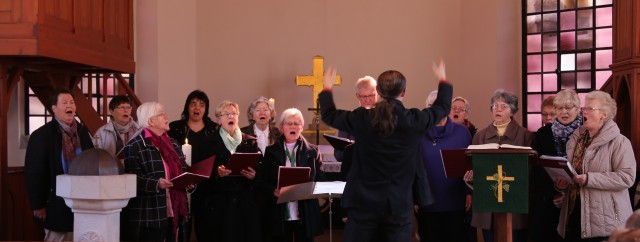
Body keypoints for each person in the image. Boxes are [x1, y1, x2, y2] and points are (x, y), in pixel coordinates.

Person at [318, 61, 453, 242]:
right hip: (398, 205)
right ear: (403, 92)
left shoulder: (361, 118)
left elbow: (329, 115)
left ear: (378, 92)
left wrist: (327, 87)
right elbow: (442, 108)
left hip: (363, 204)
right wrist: (443, 80)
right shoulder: (414, 120)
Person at [555, 91, 636, 241]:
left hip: (606, 222)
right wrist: (564, 182)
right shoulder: (576, 139)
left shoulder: (620, 142)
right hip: (574, 216)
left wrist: (588, 179)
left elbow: (627, 178)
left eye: (589, 109)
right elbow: (574, 173)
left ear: (603, 115)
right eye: (583, 108)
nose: (583, 112)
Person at [464, 89, 534, 242]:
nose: (498, 109)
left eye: (503, 106)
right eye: (495, 106)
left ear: (512, 110)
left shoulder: (525, 136)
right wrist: (471, 177)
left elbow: (530, 170)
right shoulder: (480, 136)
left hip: (513, 203)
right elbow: (472, 166)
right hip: (487, 203)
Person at [25, 87, 95, 241]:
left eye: (72, 102)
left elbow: (91, 161)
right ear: (54, 109)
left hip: (82, 203)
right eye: (64, 103)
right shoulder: (42, 135)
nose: (69, 105)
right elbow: (34, 172)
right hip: (55, 203)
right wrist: (38, 205)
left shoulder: (82, 132)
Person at [192, 100, 262, 242]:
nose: (231, 117)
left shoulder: (250, 142)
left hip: (244, 202)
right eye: (226, 114)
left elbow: (261, 169)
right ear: (218, 119)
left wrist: (254, 175)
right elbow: (199, 172)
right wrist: (216, 173)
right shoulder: (207, 142)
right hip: (219, 203)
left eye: (234, 113)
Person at [123, 102, 190, 242]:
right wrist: (156, 184)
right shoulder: (135, 145)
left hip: (175, 210)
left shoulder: (173, 143)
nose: (167, 116)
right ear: (150, 121)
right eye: (162, 114)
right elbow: (131, 179)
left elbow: (184, 169)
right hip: (150, 214)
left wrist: (189, 181)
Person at [260, 108, 325, 242]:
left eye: (297, 123)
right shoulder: (271, 152)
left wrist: (309, 189)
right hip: (280, 210)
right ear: (282, 127)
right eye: (289, 123)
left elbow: (320, 179)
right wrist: (273, 191)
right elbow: (261, 181)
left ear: (301, 128)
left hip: (304, 210)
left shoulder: (313, 151)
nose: (293, 126)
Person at [415, 91, 472, 242]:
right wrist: (413, 196)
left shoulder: (463, 132)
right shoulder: (418, 132)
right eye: (432, 106)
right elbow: (411, 166)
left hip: (455, 200)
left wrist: (469, 192)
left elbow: (470, 165)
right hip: (426, 202)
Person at [167, 90, 218, 242]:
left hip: (207, 182)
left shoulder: (213, 128)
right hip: (183, 182)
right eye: (193, 104)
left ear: (206, 109)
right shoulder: (176, 127)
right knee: (183, 226)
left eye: (202, 105)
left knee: (206, 226)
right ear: (187, 107)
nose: (197, 108)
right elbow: (170, 154)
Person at [532, 89, 582, 242]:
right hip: (549, 198)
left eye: (569, 107)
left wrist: (568, 193)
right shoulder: (542, 133)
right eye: (559, 108)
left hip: (579, 200)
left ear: (578, 109)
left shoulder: (587, 132)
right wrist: (556, 193)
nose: (564, 112)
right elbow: (537, 169)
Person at [335, 76, 377, 178]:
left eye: (371, 95)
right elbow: (338, 156)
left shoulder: (386, 119)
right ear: (357, 96)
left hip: (378, 174)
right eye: (363, 96)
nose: (367, 100)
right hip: (354, 174)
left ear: (377, 94)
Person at [94, 95, 139, 162]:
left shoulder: (138, 130)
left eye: (128, 107)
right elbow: (97, 156)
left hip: (134, 169)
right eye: (122, 107)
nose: (126, 110)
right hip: (110, 169)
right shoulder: (101, 132)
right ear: (111, 111)